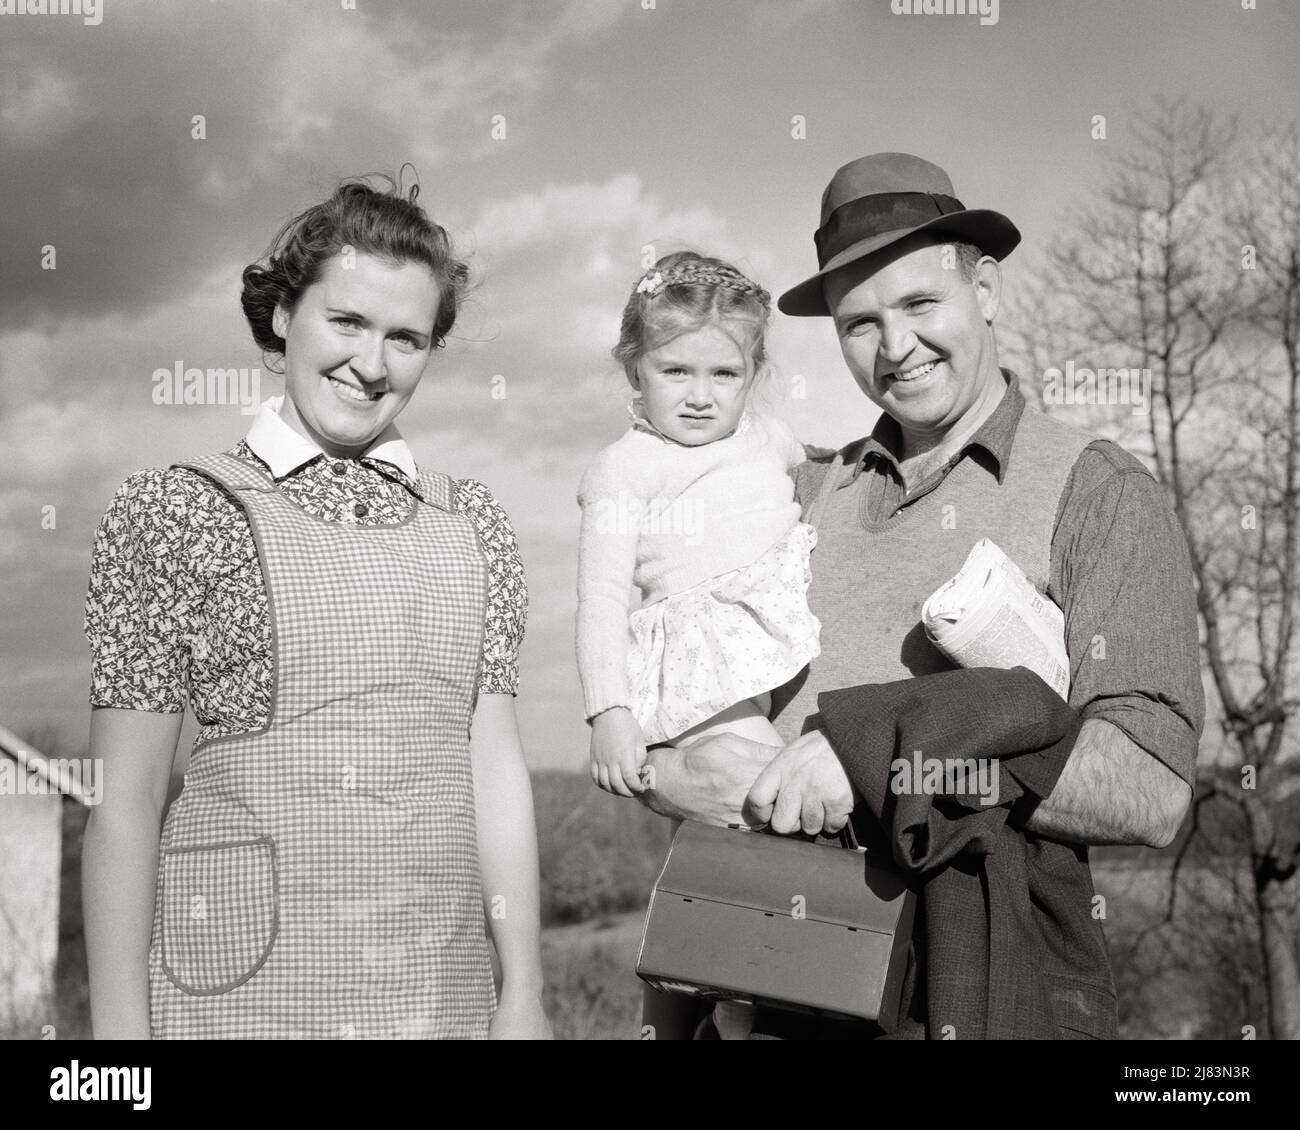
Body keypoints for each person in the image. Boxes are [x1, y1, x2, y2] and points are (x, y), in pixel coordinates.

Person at [635, 153, 1205, 1039]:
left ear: (986, 287)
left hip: (978, 993)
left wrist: (881, 762)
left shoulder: (1097, 492)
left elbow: (1150, 789)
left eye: (920, 305)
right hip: (770, 989)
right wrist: (665, 772)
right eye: (860, 323)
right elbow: (674, 692)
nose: (895, 348)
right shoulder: (799, 492)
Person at [82, 178, 550, 1040]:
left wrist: (522, 992)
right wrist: (120, 1055)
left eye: (406, 337)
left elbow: (495, 772)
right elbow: (126, 802)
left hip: (440, 1001)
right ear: (283, 315)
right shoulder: (172, 510)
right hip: (241, 1005)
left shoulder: (473, 521)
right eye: (347, 322)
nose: (371, 366)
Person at [575, 251, 818, 1037]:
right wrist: (608, 711)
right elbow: (602, 596)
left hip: (774, 642)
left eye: (725, 373)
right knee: (748, 803)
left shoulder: (769, 438)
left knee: (714, 827)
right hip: (701, 654)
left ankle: (681, 1008)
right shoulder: (625, 469)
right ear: (634, 369)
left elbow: (824, 482)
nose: (702, 395)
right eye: (676, 370)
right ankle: (739, 998)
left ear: (754, 374)